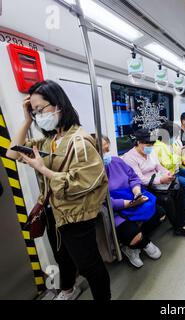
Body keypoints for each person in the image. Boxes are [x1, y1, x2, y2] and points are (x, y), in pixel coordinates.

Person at [6, 80, 110, 301]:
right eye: (34, 111)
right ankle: (68, 289)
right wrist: (26, 120)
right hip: (54, 212)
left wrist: (44, 170)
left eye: (40, 109)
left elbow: (83, 183)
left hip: (77, 216)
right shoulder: (50, 140)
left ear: (58, 104)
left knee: (90, 265)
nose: (38, 115)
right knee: (62, 256)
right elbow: (12, 154)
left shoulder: (80, 141)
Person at [101, 136, 162, 268]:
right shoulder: (93, 174)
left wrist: (136, 192)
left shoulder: (116, 161)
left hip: (132, 196)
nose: (106, 155)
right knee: (130, 232)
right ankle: (138, 245)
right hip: (115, 209)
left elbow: (133, 178)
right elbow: (103, 200)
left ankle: (136, 243)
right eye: (102, 151)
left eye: (107, 150)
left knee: (158, 213)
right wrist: (130, 204)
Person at [122, 129, 185, 238]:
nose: (150, 147)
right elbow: (140, 179)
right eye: (147, 144)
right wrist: (160, 180)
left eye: (152, 144)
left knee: (178, 189)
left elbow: (158, 166)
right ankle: (177, 227)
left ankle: (182, 223)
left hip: (159, 181)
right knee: (167, 199)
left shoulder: (150, 151)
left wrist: (167, 172)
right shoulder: (129, 157)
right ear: (138, 142)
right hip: (145, 187)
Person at [153, 122, 185, 214]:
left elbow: (180, 155)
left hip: (178, 168)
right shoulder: (159, 146)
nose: (175, 138)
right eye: (174, 135)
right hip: (170, 173)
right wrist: (178, 155)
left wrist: (181, 155)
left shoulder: (172, 143)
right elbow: (167, 164)